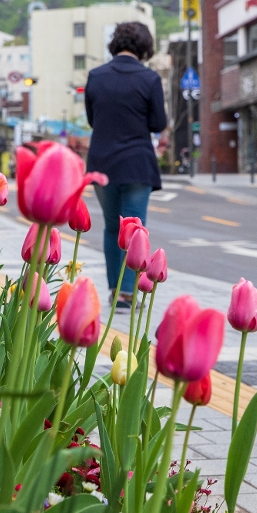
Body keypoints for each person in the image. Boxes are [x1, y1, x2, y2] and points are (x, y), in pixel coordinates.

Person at [84, 21, 167, 308]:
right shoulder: (150, 79)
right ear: (144, 47)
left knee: (111, 228)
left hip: (102, 162)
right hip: (136, 163)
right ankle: (127, 293)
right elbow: (158, 123)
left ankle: (114, 288)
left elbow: (92, 120)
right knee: (134, 229)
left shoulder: (96, 76)